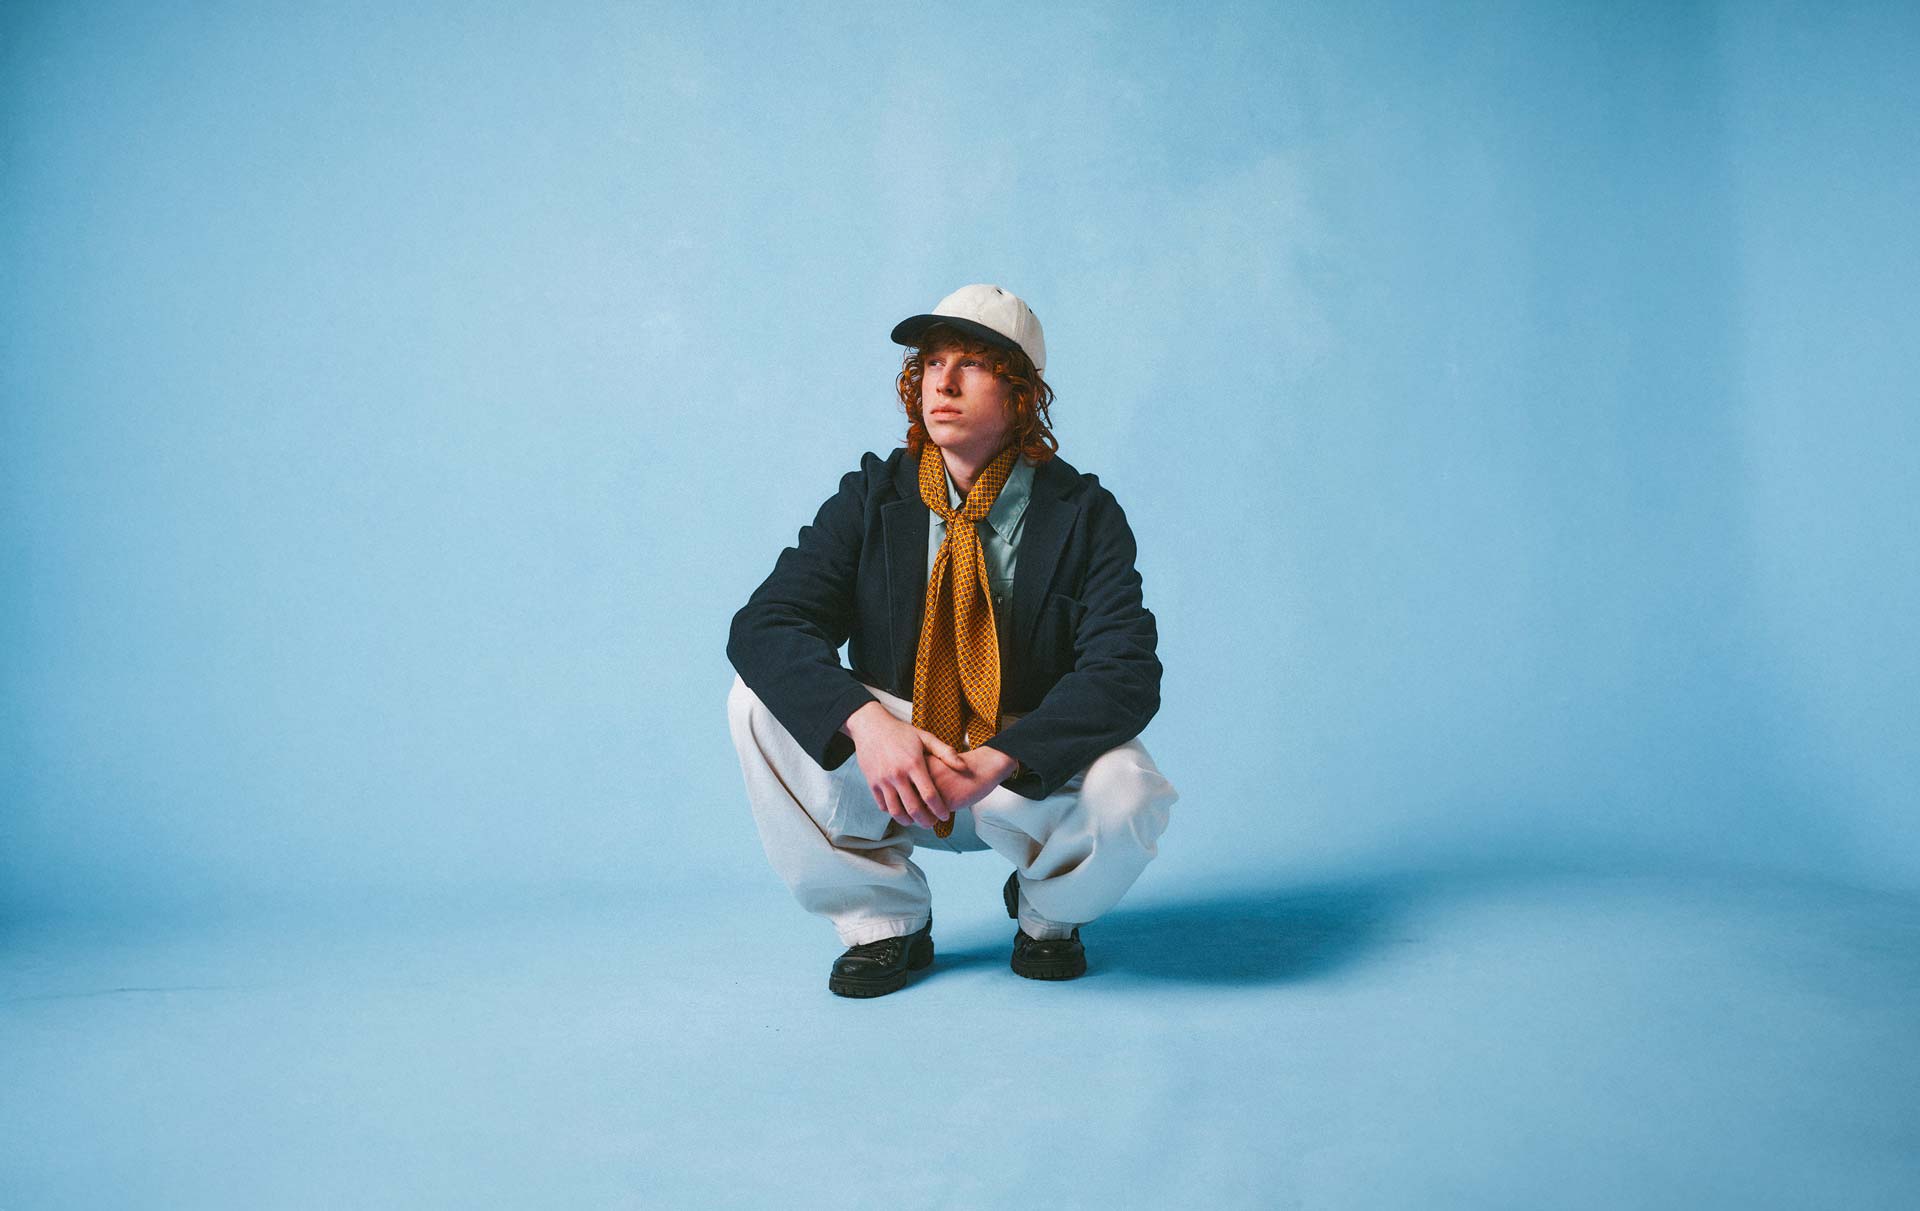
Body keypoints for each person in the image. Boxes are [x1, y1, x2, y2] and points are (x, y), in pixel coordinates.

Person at [726, 283, 1177, 998]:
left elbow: (1126, 670)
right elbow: (766, 624)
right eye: (934, 362)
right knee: (755, 700)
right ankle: (884, 918)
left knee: (1133, 791)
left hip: (1017, 767)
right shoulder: (873, 493)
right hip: (899, 763)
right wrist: (868, 725)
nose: (944, 381)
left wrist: (1002, 756)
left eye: (972, 362)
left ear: (1022, 393)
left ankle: (1048, 911)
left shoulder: (1084, 513)